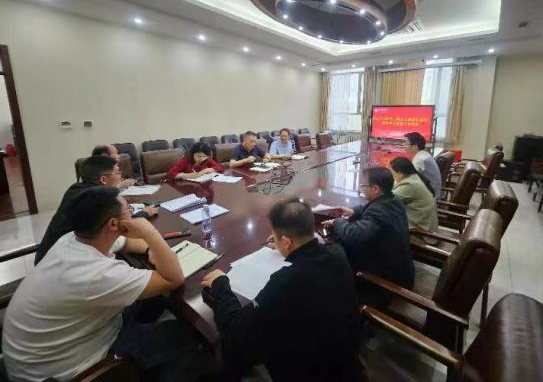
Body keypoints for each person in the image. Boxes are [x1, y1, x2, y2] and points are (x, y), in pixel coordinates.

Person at [3, 187, 209, 382]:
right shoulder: (97, 274)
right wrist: (150, 233)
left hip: (64, 341)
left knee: (156, 297)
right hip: (65, 371)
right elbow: (174, 279)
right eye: (128, 211)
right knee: (185, 333)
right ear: (113, 224)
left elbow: (128, 243)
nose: (133, 214)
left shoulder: (75, 238)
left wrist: (150, 250)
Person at [201, 198, 361, 382]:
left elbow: (236, 332)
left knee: (234, 351)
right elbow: (321, 245)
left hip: (310, 371)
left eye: (275, 236)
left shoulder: (286, 281)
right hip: (347, 360)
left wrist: (221, 284)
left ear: (286, 242)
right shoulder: (338, 255)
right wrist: (290, 248)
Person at [35, 155, 158, 265]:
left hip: (53, 255)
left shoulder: (78, 190)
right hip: (64, 262)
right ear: (103, 180)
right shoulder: (93, 201)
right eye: (117, 172)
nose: (121, 177)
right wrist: (143, 214)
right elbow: (115, 226)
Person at [322, 166, 415, 298]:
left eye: (363, 185)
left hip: (387, 283)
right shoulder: (394, 201)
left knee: (336, 250)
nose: (361, 188)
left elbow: (353, 235)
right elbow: (371, 208)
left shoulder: (377, 212)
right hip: (402, 270)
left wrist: (337, 222)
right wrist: (354, 211)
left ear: (375, 189)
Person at [389, 157, 439, 240]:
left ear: (400, 173)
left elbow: (387, 201)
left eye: (392, 172)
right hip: (425, 226)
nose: (391, 175)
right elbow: (395, 184)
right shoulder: (414, 177)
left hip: (420, 233)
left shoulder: (410, 185)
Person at [404, 132, 442, 198]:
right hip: (431, 190)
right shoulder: (424, 154)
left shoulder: (420, 160)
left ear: (415, 146)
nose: (404, 145)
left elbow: (408, 178)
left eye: (406, 143)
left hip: (430, 195)